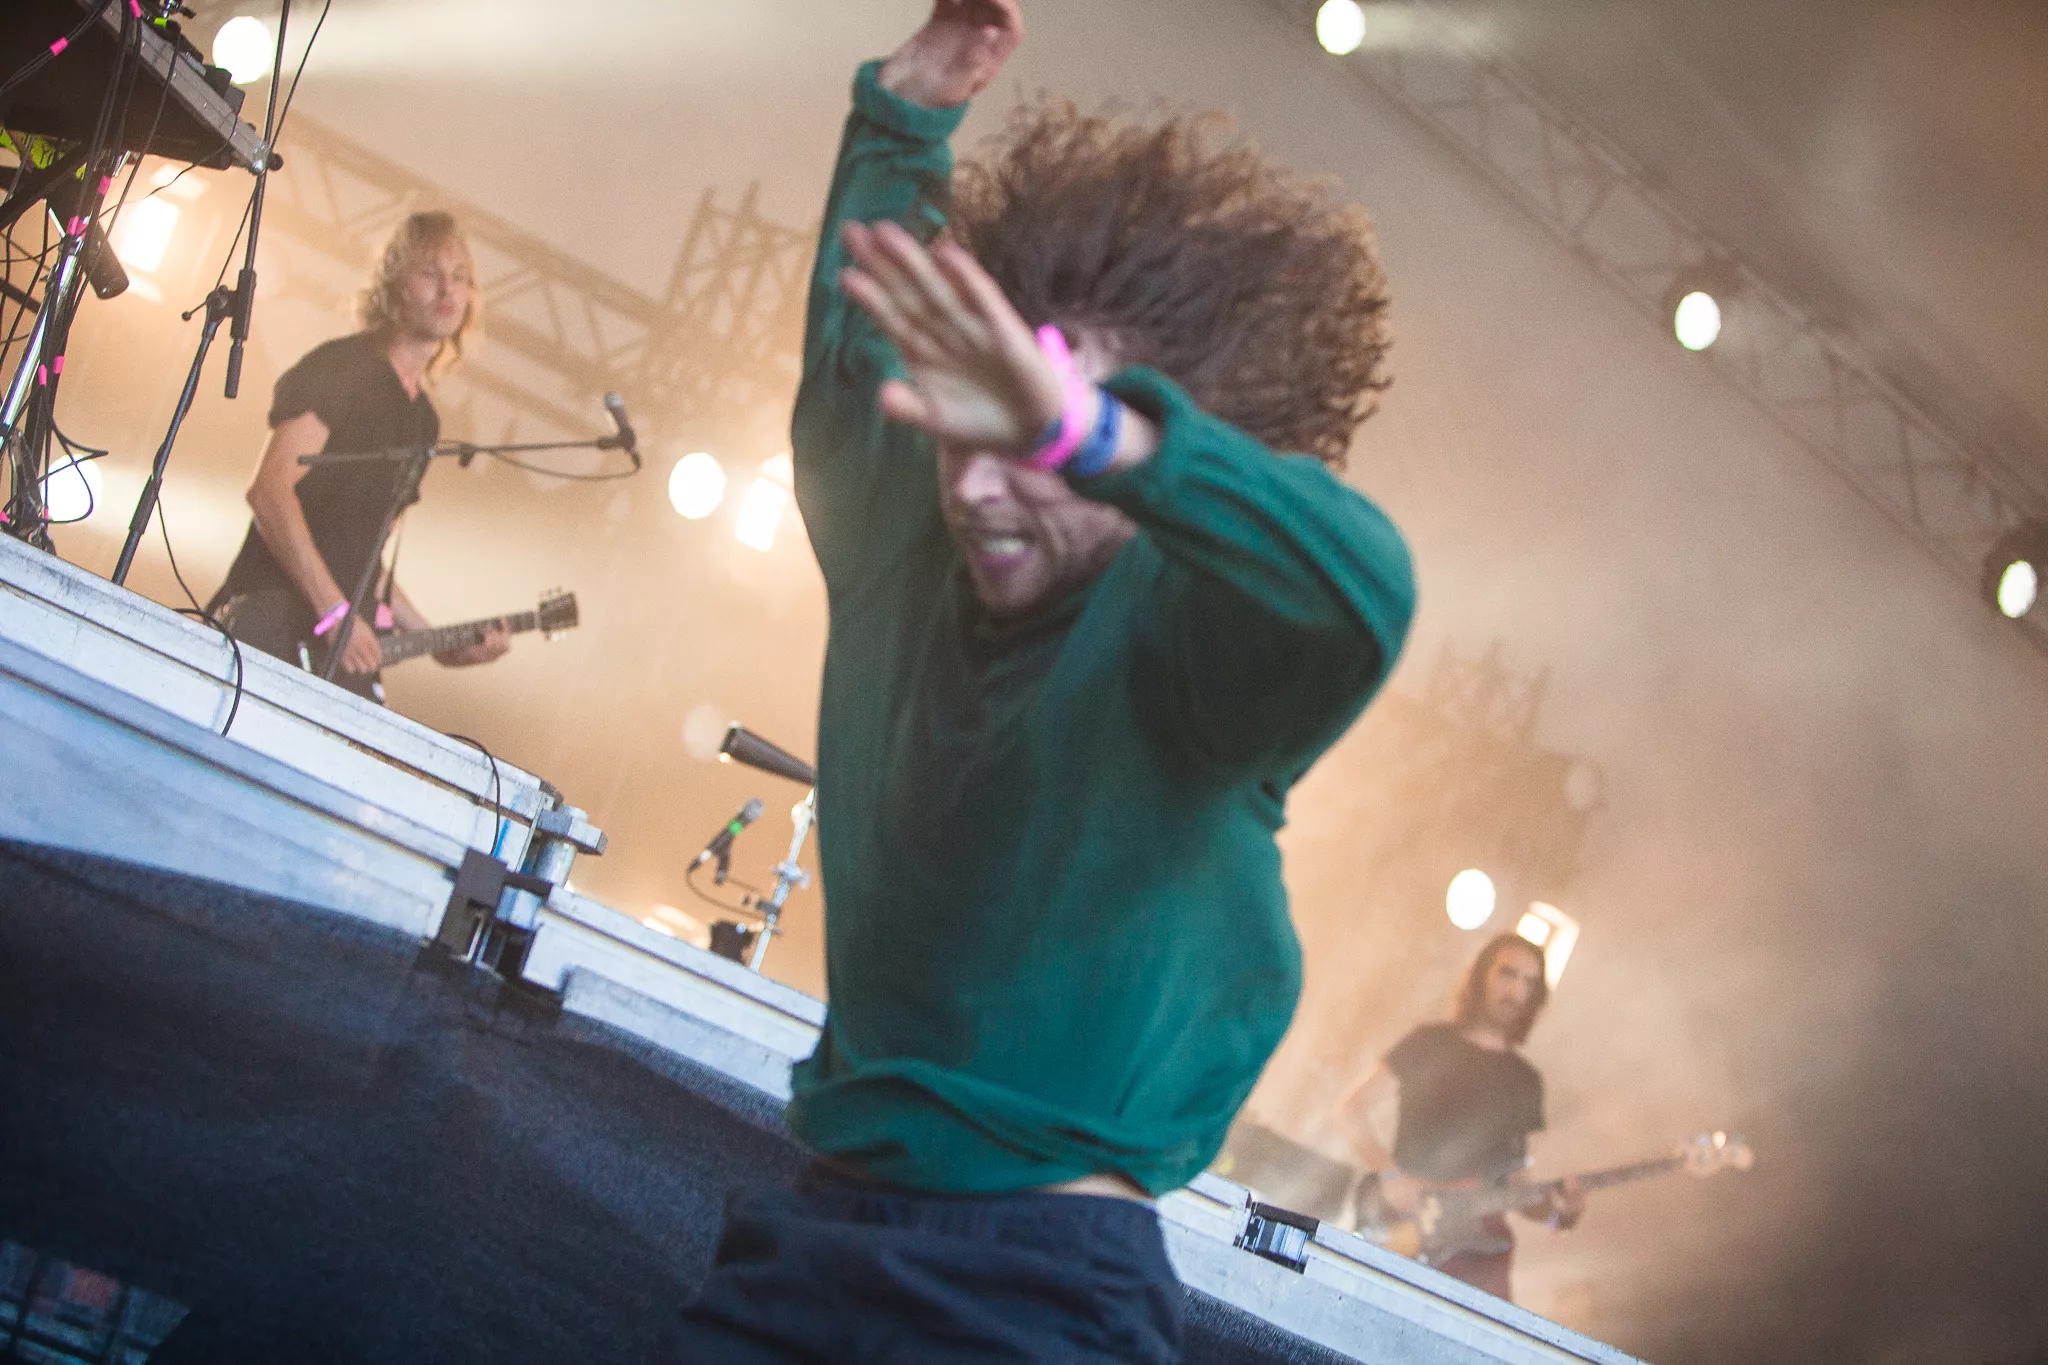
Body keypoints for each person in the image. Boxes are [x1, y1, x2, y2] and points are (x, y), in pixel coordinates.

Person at [670, 2, 1414, 1359]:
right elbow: (856, 335)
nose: (975, 484)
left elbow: (1365, 591)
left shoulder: (1195, 638)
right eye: (967, 429)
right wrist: (905, 113)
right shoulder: (902, 546)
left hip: (1036, 1293)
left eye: (1030, 441)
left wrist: (1086, 434)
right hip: (811, 1242)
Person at [208, 210, 508, 701]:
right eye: (430, 273)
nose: (447, 290)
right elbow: (270, 492)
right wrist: (333, 611)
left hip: (336, 646)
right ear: (395, 284)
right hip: (270, 621)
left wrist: (436, 641)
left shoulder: (423, 422)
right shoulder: (342, 367)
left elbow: (368, 558)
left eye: (460, 277)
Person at [1340, 933, 1585, 1302]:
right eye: (1507, 973)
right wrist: (1390, 1175)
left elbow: (1516, 1182)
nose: (1516, 990)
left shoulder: (1525, 1080)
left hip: (1476, 1255)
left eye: (1528, 982)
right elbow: (1350, 1109)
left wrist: (1559, 1215)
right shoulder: (1429, 1042)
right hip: (1407, 1224)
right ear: (1481, 975)